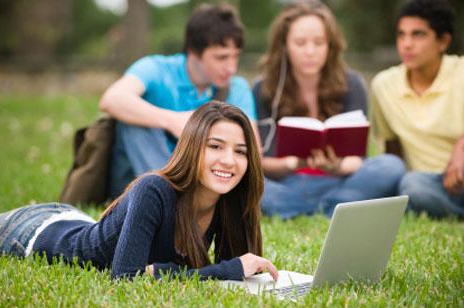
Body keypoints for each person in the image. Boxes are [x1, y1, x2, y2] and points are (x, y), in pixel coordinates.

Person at [0, 102, 278, 281]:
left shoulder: (229, 201)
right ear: (192, 148)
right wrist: (227, 270)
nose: (229, 160)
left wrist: (231, 270)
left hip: (73, 219)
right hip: (27, 232)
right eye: (215, 146)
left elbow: (231, 270)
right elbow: (126, 278)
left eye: (240, 152)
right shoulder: (153, 190)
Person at [253, 0, 406, 219]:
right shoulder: (265, 88)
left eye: (319, 42)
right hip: (289, 184)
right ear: (284, 45)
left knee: (391, 165)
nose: (310, 51)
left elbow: (359, 158)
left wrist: (337, 166)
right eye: (300, 43)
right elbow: (262, 162)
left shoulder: (352, 84)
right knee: (249, 183)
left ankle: (305, 209)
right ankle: (333, 209)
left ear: (330, 45)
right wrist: (295, 163)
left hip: (341, 181)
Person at [99, 3, 257, 199]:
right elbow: (112, 99)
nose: (231, 68)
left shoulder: (236, 87)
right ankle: (167, 197)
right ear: (194, 53)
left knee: (276, 189)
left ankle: (193, 199)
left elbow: (253, 151)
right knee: (133, 122)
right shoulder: (156, 69)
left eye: (235, 57)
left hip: (209, 181)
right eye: (222, 58)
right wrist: (172, 120)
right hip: (142, 181)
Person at [370, 0, 464, 218]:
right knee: (412, 186)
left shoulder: (460, 73)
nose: (407, 44)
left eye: (418, 35)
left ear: (443, 41)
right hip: (431, 185)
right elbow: (391, 147)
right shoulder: (383, 85)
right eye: (401, 35)